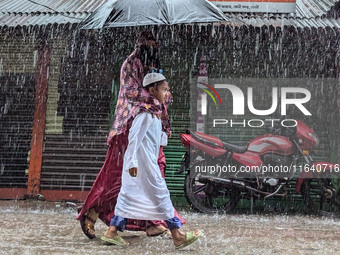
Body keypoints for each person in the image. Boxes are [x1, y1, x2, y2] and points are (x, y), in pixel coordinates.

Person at [76, 31, 185, 239]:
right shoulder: (130, 64)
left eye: (155, 43)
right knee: (117, 177)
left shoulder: (153, 65)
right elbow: (131, 93)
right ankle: (92, 212)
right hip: (129, 126)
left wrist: (160, 91)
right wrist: (153, 95)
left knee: (155, 172)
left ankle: (150, 223)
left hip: (153, 129)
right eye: (149, 43)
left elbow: (166, 95)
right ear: (141, 44)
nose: (153, 47)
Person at [101, 73, 201, 249]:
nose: (167, 93)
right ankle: (178, 235)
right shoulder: (145, 113)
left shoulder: (155, 113)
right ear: (152, 90)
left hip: (144, 162)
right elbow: (134, 138)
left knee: (128, 197)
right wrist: (132, 163)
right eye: (164, 89)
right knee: (161, 195)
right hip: (143, 164)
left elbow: (155, 140)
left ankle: (111, 232)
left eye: (168, 90)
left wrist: (164, 134)